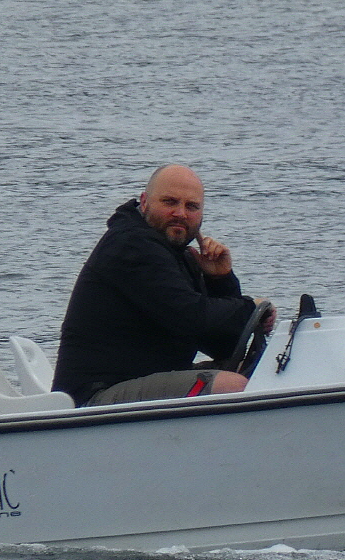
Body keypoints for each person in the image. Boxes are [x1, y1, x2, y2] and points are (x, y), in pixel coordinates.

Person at [52, 164, 274, 405]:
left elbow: (221, 344)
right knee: (232, 387)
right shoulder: (131, 245)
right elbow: (191, 316)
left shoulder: (178, 255)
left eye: (191, 206)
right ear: (144, 202)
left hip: (140, 380)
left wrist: (220, 279)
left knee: (259, 371)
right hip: (94, 397)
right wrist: (250, 308)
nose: (181, 213)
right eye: (170, 202)